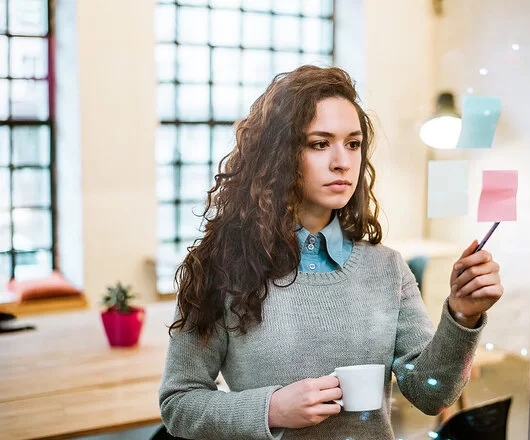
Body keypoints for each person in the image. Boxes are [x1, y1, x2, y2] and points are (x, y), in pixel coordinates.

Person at [158, 65, 504, 440]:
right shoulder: (222, 269)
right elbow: (180, 404)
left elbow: (430, 393)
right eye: (320, 144)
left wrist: (462, 316)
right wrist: (271, 409)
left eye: (352, 144)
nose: (342, 162)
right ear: (279, 155)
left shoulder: (386, 268)